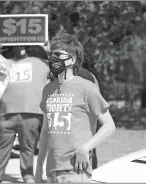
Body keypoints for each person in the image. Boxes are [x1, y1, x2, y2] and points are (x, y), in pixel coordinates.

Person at [35, 31, 116, 183]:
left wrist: (86, 148)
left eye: (58, 54)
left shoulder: (87, 88)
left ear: (72, 59)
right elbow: (46, 130)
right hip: (52, 171)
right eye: (51, 55)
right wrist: (39, 166)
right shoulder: (48, 89)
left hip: (76, 170)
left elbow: (109, 126)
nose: (53, 59)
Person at [0, 45, 50, 183]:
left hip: (31, 111)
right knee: (3, 146)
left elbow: (55, 64)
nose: (18, 48)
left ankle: (28, 175)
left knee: (28, 146)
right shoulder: (5, 62)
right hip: (7, 111)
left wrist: (46, 48)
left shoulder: (41, 62)